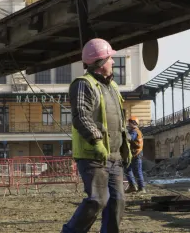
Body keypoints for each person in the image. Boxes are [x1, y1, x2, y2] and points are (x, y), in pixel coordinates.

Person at [62, 38, 132, 233]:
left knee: (117, 201)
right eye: (110, 58)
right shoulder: (84, 84)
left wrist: (125, 148)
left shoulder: (113, 87)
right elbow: (81, 116)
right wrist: (96, 141)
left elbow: (118, 121)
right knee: (97, 200)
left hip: (114, 157)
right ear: (101, 62)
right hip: (93, 156)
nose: (113, 62)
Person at [124, 116, 145, 194]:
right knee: (127, 169)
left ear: (134, 124)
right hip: (132, 154)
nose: (128, 125)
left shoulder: (134, 132)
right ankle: (132, 186)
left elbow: (129, 138)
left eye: (130, 123)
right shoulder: (135, 131)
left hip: (136, 154)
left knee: (137, 171)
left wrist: (123, 132)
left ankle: (141, 188)